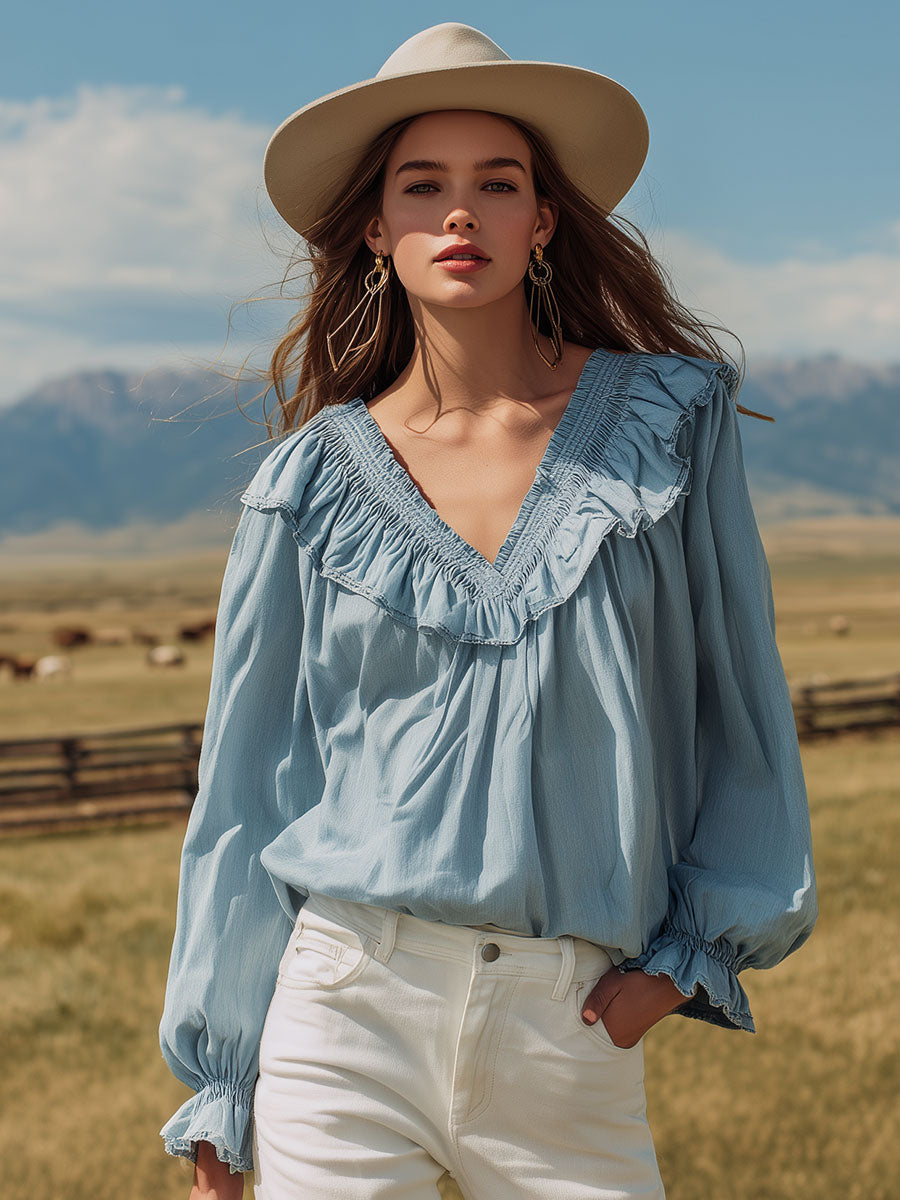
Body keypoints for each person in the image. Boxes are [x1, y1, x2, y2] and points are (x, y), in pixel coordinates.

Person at [158, 22, 818, 1200]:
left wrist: (682, 966)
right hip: (342, 1012)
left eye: (496, 185)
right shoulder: (309, 484)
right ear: (376, 227)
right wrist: (221, 1094)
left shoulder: (671, 424)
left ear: (543, 220)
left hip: (569, 1023)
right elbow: (249, 790)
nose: (459, 214)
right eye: (424, 186)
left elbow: (742, 706)